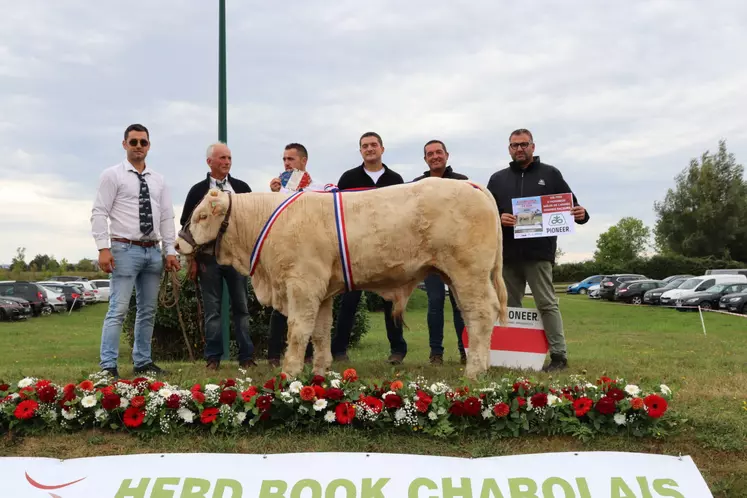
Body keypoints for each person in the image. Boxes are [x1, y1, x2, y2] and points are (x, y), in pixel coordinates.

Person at [486, 128, 589, 372]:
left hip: (539, 253)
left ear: (533, 146)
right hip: (506, 254)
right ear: (508, 149)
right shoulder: (497, 179)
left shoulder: (550, 174)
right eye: (514, 145)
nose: (519, 149)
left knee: (546, 303)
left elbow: (573, 207)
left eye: (523, 144)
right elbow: (486, 214)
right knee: (508, 305)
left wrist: (581, 214)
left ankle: (558, 355)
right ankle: (511, 355)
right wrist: (499, 217)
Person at [91, 123, 180, 378]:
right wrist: (103, 248)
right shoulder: (112, 175)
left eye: (143, 142)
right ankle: (108, 366)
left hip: (152, 251)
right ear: (124, 145)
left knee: (148, 311)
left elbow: (166, 217)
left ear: (149, 145)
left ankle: (142, 362)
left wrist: (170, 251)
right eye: (134, 142)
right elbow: (99, 212)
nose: (139, 146)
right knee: (118, 309)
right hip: (123, 249)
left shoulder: (159, 180)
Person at [330, 131, 408, 365]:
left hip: (388, 250)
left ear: (382, 149)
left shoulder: (395, 179)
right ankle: (339, 350)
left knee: (392, 300)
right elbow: (340, 212)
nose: (370, 149)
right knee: (349, 301)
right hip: (356, 250)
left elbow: (402, 215)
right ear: (361, 150)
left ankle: (397, 350)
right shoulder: (349, 178)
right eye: (365, 146)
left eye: (374, 145)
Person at [180, 141, 256, 370]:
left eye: (229, 158)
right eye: (222, 158)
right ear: (209, 162)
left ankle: (247, 357)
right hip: (208, 258)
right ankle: (213, 358)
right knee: (212, 311)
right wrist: (191, 260)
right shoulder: (197, 191)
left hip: (236, 258)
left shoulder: (241, 188)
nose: (226, 162)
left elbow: (253, 222)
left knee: (242, 308)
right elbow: (187, 226)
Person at [412, 139, 468, 365]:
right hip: (429, 257)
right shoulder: (416, 186)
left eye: (438, 152)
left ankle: (466, 350)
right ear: (425, 159)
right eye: (430, 154)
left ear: (447, 155)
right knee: (434, 301)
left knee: (460, 303)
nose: (434, 156)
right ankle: (436, 353)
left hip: (457, 254)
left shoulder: (463, 183)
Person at [266, 143, 315, 367]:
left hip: (311, 257)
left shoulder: (317, 189)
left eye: (291, 159)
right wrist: (275, 195)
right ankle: (274, 354)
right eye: (284, 159)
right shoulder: (278, 191)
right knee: (281, 305)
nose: (286, 163)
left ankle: (308, 353)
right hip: (286, 257)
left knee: (310, 303)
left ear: (303, 161)